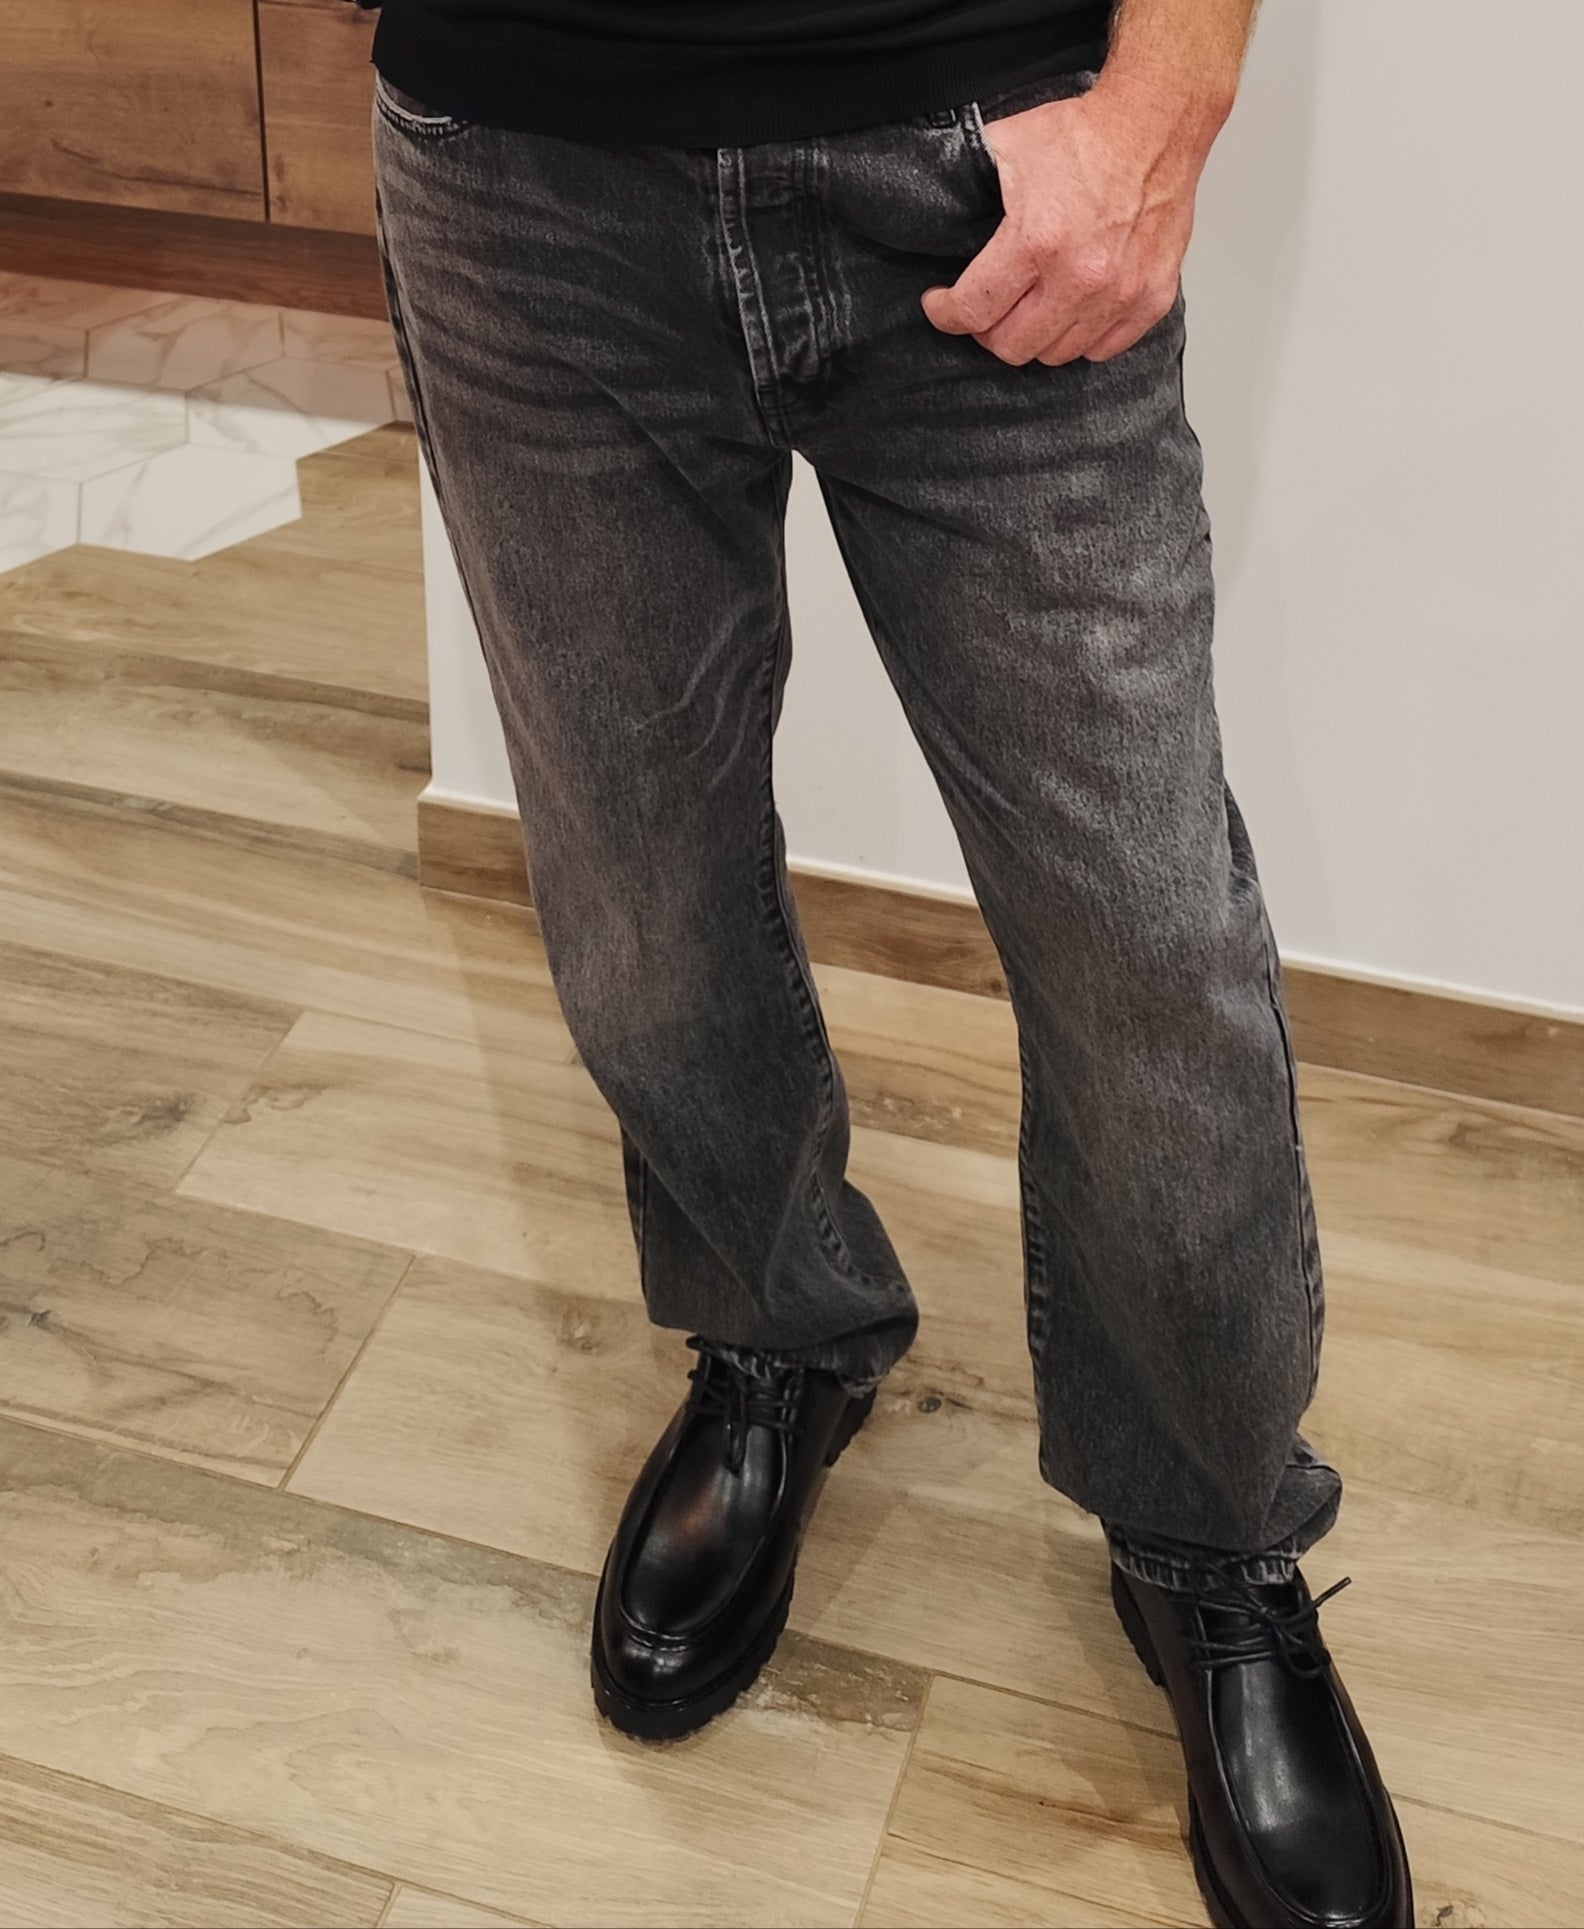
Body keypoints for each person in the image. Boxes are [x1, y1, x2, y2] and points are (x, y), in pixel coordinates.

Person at [363, 0, 1411, 1922]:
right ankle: (778, 1336)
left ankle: (1208, 1533)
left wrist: (1168, 100)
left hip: (978, 143)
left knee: (1145, 947)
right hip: (521, 167)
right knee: (643, 904)